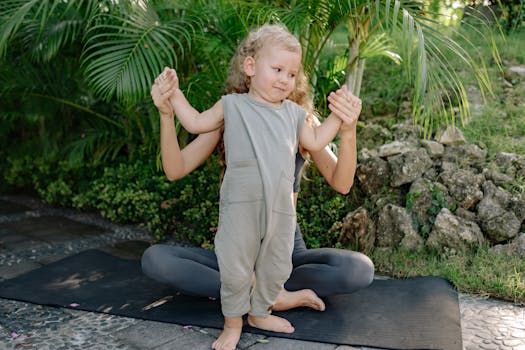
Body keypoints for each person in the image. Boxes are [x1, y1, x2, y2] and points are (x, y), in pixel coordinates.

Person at [143, 24, 374, 350]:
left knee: (358, 270)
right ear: (250, 67)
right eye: (276, 68)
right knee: (157, 260)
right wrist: (168, 113)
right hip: (242, 230)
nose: (283, 78)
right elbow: (175, 168)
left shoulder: (297, 118)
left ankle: (265, 291)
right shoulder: (231, 111)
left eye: (290, 72)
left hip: (283, 236)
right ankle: (264, 294)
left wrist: (346, 128)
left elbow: (342, 183)